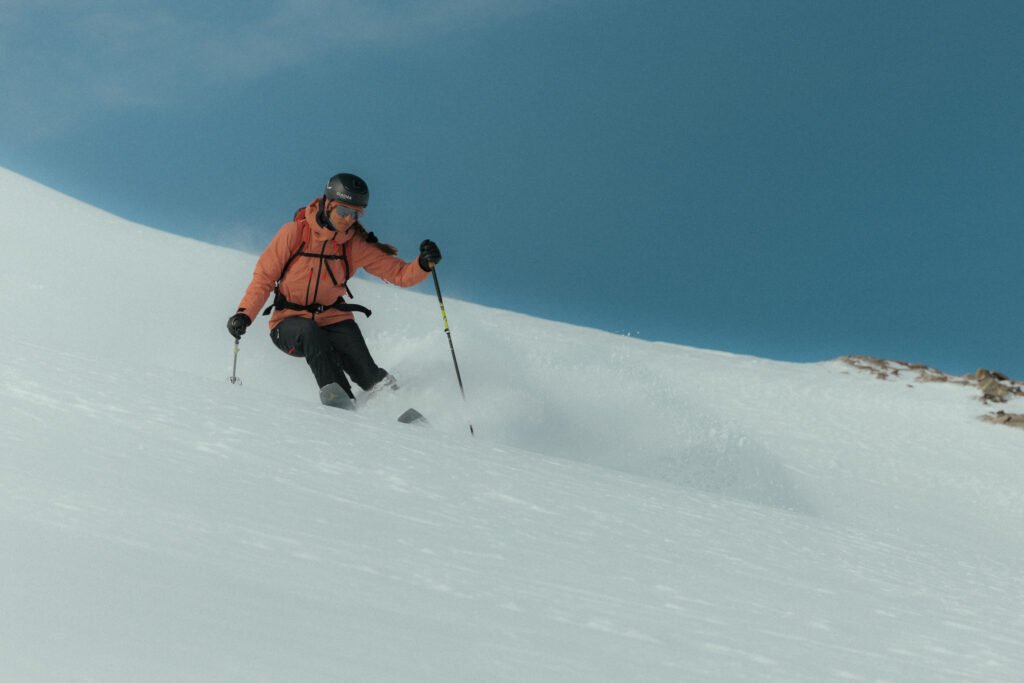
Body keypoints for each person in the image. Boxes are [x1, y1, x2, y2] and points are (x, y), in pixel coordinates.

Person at [227, 172, 441, 410]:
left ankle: (399, 406)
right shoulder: (294, 233)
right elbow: (264, 279)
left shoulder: (354, 245)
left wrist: (423, 264)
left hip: (334, 318)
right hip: (288, 323)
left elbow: (399, 274)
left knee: (369, 376)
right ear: (328, 204)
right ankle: (341, 401)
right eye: (343, 212)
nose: (348, 219)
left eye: (356, 214)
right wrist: (244, 315)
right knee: (309, 332)